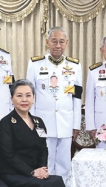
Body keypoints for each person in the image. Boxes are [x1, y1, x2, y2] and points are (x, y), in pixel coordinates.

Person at [0, 80, 77, 187]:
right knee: (43, 186)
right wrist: (32, 172)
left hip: (35, 171)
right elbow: (8, 155)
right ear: (12, 99)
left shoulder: (38, 121)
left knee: (55, 181)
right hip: (13, 173)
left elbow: (43, 149)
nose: (24, 99)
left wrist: (43, 169)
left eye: (28, 95)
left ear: (33, 98)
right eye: (19, 96)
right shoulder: (6, 123)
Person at [26, 26, 83, 176]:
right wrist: (31, 121)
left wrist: (76, 124)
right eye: (54, 41)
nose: (58, 45)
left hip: (66, 122)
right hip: (42, 122)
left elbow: (77, 97)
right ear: (47, 42)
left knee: (65, 163)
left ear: (66, 43)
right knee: (45, 161)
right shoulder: (35, 64)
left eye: (61, 42)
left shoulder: (74, 65)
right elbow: (30, 96)